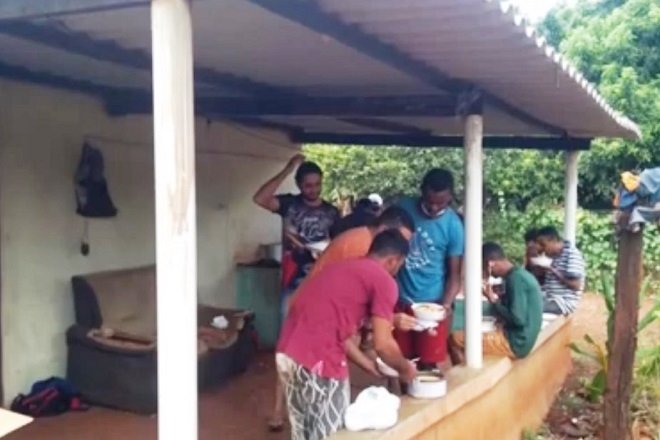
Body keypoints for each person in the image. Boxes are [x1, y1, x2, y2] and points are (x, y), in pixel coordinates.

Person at [276, 230, 418, 440]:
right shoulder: (384, 281)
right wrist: (406, 369)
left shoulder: (342, 268)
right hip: (319, 361)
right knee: (332, 434)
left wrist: (369, 365)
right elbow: (383, 345)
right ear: (393, 260)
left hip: (287, 354)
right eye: (399, 265)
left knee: (303, 433)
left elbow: (336, 332)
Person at [252, 153, 340, 431]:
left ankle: (316, 406)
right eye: (308, 185)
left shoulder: (332, 213)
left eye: (317, 184)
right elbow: (260, 198)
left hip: (321, 287)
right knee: (286, 347)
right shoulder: (289, 204)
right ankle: (278, 409)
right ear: (299, 184)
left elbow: (338, 247)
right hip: (292, 285)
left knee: (319, 345)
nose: (313, 190)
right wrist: (288, 168)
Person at [394, 169, 464, 370]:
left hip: (432, 304)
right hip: (401, 301)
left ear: (450, 197)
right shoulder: (403, 209)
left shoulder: (454, 225)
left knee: (428, 363)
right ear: (422, 191)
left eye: (441, 203)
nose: (434, 207)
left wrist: (445, 305)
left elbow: (455, 275)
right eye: (430, 201)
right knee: (399, 361)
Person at [452, 242, 543, 359]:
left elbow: (518, 319)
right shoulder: (520, 274)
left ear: (490, 264)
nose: (486, 273)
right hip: (523, 339)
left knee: (456, 338)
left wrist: (493, 300)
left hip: (516, 343)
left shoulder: (515, 279)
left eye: (484, 268)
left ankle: (469, 369)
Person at [534, 226, 586, 315]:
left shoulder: (572, 254)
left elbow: (576, 285)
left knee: (531, 307)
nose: (541, 248)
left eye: (543, 245)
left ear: (553, 240)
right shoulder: (555, 256)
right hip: (550, 298)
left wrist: (552, 270)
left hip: (563, 303)